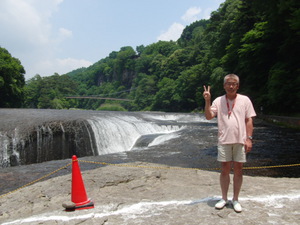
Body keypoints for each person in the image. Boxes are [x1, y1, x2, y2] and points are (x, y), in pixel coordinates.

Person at [203, 74, 256, 213]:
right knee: (224, 170)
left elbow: (249, 120)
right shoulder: (218, 100)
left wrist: (249, 138)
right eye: (228, 83)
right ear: (224, 85)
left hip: (240, 140)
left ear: (237, 86)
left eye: (233, 83)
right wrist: (207, 101)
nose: (231, 86)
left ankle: (236, 199)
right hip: (224, 140)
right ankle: (224, 198)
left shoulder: (245, 100)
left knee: (238, 170)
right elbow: (209, 116)